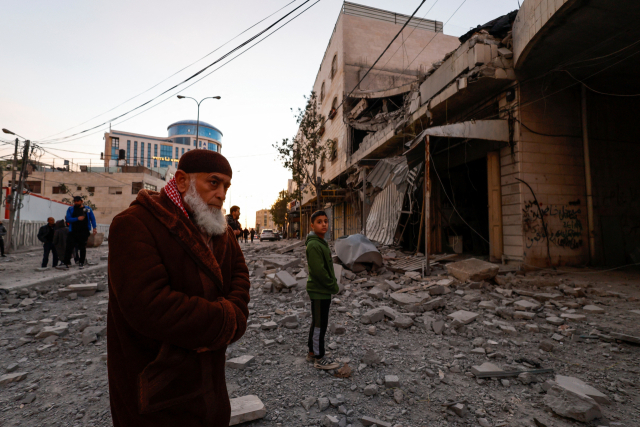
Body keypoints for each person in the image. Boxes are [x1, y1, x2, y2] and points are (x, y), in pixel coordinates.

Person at [106, 149, 250, 427]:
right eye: (213, 182)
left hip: (211, 386)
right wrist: (226, 320)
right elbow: (148, 305)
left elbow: (240, 278)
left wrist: (235, 315)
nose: (221, 194)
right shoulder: (134, 224)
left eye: (226, 186)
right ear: (182, 181)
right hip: (155, 389)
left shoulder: (222, 232)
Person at [305, 210, 340, 370]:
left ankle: (312, 351)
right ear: (312, 225)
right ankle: (319, 357)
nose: (324, 224)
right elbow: (319, 271)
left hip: (322, 290)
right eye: (319, 221)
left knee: (318, 321)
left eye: (325, 221)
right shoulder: (313, 245)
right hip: (320, 290)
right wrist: (332, 285)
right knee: (320, 324)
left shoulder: (320, 242)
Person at [59, 196, 96, 270]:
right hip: (73, 231)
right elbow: (68, 219)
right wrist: (77, 219)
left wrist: (94, 228)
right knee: (69, 247)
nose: (76, 202)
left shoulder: (88, 209)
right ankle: (66, 262)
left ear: (81, 201)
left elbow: (92, 218)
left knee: (82, 247)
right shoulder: (70, 209)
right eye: (75, 201)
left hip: (84, 231)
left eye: (77, 201)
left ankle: (81, 262)